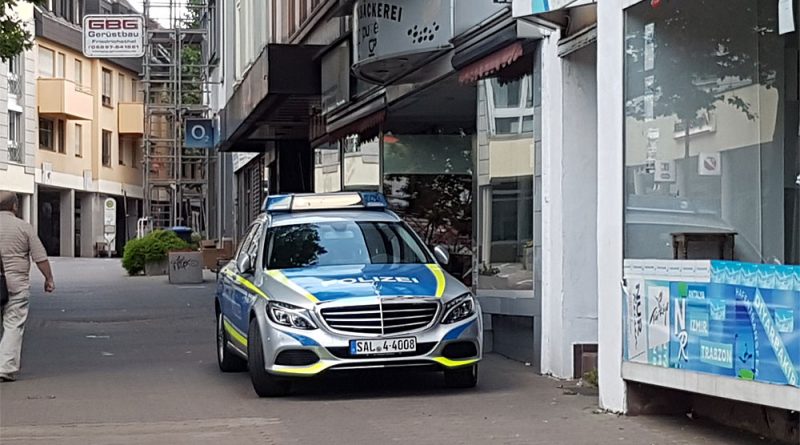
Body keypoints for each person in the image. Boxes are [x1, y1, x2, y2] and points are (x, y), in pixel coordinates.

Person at [0, 191, 54, 382]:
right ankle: (5, 368)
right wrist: (49, 279)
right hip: (16, 285)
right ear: (14, 206)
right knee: (13, 325)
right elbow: (40, 256)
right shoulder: (24, 227)